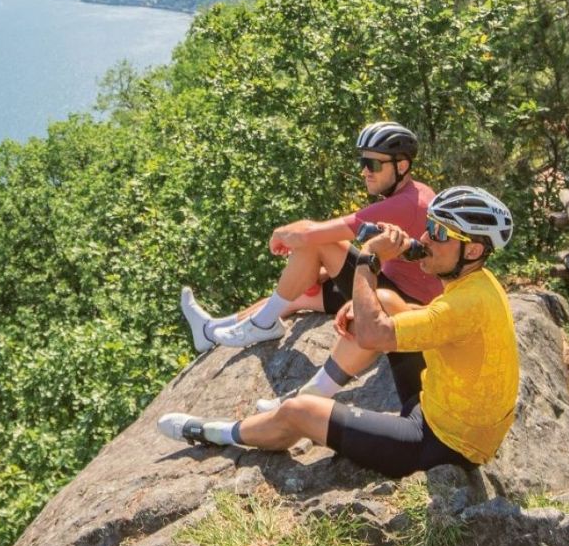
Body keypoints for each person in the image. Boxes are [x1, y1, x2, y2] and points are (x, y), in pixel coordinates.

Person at [158, 186, 521, 479]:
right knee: (385, 301)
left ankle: (213, 431)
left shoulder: (463, 305)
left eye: (439, 232)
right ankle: (319, 389)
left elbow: (372, 336)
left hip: (441, 444)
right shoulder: (479, 284)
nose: (425, 236)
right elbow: (435, 325)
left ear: (472, 248)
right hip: (438, 405)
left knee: (299, 412)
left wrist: (368, 261)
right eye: (429, 225)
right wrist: (370, 303)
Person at [179, 122, 440, 408]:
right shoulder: (413, 193)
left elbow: (312, 234)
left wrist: (282, 234)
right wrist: (325, 271)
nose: (363, 171)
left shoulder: (404, 203)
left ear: (401, 166)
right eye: (361, 162)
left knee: (318, 244)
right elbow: (397, 252)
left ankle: (269, 334)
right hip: (392, 284)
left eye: (372, 164)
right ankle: (213, 330)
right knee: (298, 293)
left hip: (402, 302)